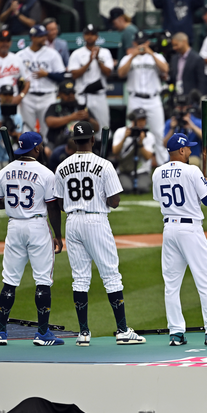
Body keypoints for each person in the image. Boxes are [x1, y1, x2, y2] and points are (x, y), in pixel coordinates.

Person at [53, 121, 146, 346]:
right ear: (93, 139)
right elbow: (114, 201)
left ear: (74, 141)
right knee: (111, 275)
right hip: (96, 220)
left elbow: (59, 203)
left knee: (80, 278)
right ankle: (122, 331)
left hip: (72, 222)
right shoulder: (104, 165)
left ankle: (83, 333)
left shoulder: (62, 166)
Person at [152, 132, 207, 346]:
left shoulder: (158, 172)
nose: (190, 150)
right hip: (190, 230)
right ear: (181, 150)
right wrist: (204, 185)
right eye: (188, 148)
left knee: (171, 285)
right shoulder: (192, 170)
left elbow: (162, 197)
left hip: (169, 229)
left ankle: (176, 333)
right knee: (205, 281)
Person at [0, 131, 64, 346]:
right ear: (37, 148)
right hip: (37, 226)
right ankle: (42, 333)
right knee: (42, 280)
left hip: (14, 226)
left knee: (10, 280)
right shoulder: (45, 173)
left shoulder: (4, 171)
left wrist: (13, 205)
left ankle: (1, 333)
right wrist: (58, 235)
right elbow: (52, 207)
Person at [118, 30, 170, 165]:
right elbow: (121, 73)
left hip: (153, 99)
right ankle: (130, 166)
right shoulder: (128, 58)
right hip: (135, 99)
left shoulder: (156, 56)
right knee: (132, 131)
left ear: (148, 42)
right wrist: (132, 55)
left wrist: (150, 53)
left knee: (158, 133)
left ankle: (163, 165)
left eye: (143, 43)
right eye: (138, 43)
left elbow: (165, 69)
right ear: (134, 43)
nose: (141, 46)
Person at [16, 25, 66, 143]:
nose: (44, 38)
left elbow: (62, 76)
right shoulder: (20, 56)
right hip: (28, 97)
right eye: (40, 36)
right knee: (27, 130)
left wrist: (47, 74)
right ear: (33, 37)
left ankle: (47, 153)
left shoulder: (53, 54)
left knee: (47, 131)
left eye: (44, 35)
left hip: (48, 96)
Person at [68, 24, 115, 143]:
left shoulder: (105, 52)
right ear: (84, 36)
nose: (90, 37)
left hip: (99, 96)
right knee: (81, 128)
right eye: (87, 34)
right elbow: (74, 75)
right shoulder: (77, 53)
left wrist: (97, 58)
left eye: (93, 34)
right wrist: (89, 60)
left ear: (97, 36)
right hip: (82, 97)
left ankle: (102, 151)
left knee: (104, 127)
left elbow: (108, 72)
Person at [112, 108, 158, 194]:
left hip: (142, 171)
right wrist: (124, 138)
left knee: (143, 188)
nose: (141, 122)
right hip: (124, 170)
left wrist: (140, 143)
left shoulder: (149, 135)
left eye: (143, 119)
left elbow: (148, 157)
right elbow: (115, 151)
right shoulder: (121, 132)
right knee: (126, 188)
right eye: (139, 119)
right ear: (133, 120)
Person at [44, 80, 100, 148]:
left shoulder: (81, 107)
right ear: (60, 94)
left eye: (72, 92)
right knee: (47, 150)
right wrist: (72, 117)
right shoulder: (54, 107)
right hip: (58, 142)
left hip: (80, 143)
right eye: (67, 93)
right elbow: (49, 122)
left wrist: (88, 118)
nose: (70, 95)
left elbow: (97, 128)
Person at [164, 93, 205, 167]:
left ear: (189, 107)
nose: (181, 109)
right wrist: (172, 129)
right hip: (174, 160)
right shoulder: (170, 122)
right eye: (179, 106)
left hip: (192, 157)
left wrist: (192, 126)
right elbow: (164, 145)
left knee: (193, 163)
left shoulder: (196, 122)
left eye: (183, 106)